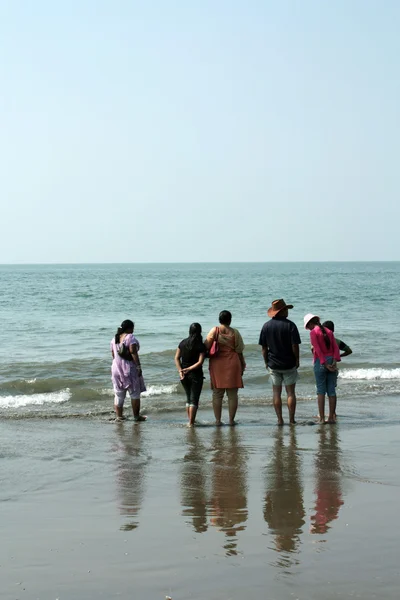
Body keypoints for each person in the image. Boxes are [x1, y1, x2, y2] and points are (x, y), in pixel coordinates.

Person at [259, 299, 301, 425]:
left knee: (276, 393)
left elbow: (264, 348)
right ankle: (292, 420)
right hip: (289, 363)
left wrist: (266, 362)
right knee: (290, 393)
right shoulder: (291, 325)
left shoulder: (266, 326)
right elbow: (295, 346)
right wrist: (297, 359)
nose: (288, 311)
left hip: (274, 364)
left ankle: (279, 420)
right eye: (286, 309)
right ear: (282, 311)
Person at [205, 311, 246, 426]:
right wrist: (242, 364)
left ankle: (218, 421)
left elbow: (206, 346)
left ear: (219, 319)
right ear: (230, 320)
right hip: (233, 363)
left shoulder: (215, 330)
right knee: (232, 395)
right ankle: (231, 420)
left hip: (217, 364)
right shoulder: (235, 332)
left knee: (217, 393)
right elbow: (239, 350)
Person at [304, 314, 341, 424]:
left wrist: (324, 364)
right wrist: (334, 361)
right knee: (331, 390)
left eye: (308, 326)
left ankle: (321, 418)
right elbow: (335, 347)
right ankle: (331, 417)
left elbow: (318, 350)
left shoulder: (313, 332)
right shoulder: (329, 331)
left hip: (321, 362)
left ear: (311, 323)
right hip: (331, 361)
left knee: (321, 391)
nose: (309, 329)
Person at [110, 319, 146, 422]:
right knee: (134, 393)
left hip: (116, 369)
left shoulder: (114, 339)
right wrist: (138, 367)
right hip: (128, 369)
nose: (133, 330)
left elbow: (113, 355)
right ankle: (136, 417)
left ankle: (119, 417)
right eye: (133, 328)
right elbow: (133, 352)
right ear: (129, 328)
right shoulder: (130, 337)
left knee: (119, 394)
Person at [175, 323, 206, 427]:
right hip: (195, 375)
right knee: (194, 400)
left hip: (183, 375)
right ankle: (191, 423)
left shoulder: (183, 342)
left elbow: (176, 358)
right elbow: (200, 362)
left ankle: (190, 421)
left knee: (188, 398)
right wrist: (189, 369)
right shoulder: (200, 345)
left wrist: (180, 371)